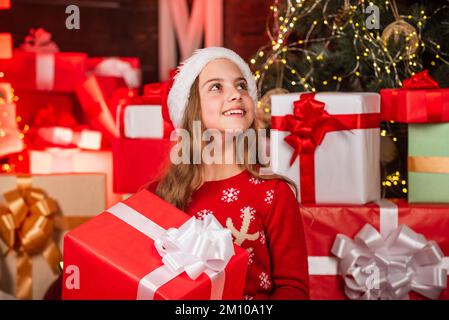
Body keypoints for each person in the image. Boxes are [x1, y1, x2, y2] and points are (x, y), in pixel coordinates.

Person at [147, 47, 309, 300]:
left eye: (242, 85)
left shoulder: (274, 194)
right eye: (216, 87)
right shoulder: (156, 197)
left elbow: (293, 289)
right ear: (191, 108)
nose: (236, 94)